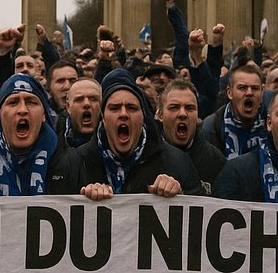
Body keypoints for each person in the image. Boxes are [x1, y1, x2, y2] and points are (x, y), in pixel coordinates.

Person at [66, 69, 203, 198]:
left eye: (131, 108)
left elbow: (198, 206)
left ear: (143, 117)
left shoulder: (178, 163)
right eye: (115, 108)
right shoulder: (74, 163)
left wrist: (180, 196)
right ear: (103, 117)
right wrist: (83, 200)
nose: (123, 114)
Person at [0, 74, 72, 195]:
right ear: (0, 114)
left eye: (31, 102)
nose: (23, 110)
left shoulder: (70, 163)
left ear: (44, 115)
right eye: (13, 102)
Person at [156, 79, 224, 195]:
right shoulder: (144, 160)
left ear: (197, 116)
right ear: (160, 115)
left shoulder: (216, 161)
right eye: (174, 107)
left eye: (189, 108)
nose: (182, 114)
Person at [62, 77, 101, 149]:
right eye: (79, 99)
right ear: (68, 107)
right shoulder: (54, 148)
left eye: (93, 99)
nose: (86, 103)